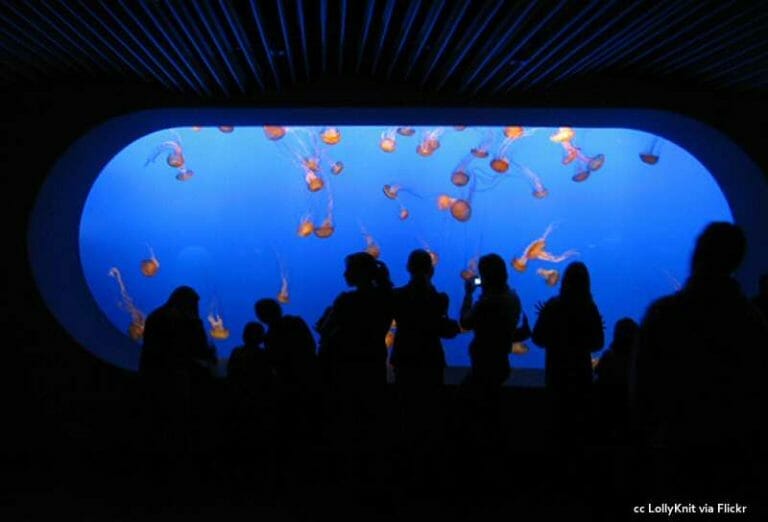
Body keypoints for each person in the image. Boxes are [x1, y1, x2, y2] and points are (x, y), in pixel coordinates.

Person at [631, 222, 768, 499]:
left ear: (698, 255)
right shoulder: (753, 321)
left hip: (675, 444)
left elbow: (642, 390)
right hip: (736, 449)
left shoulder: (664, 314)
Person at [139, 285, 215, 456]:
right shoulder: (186, 320)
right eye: (194, 305)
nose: (196, 309)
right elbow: (198, 349)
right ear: (186, 303)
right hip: (175, 376)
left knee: (157, 417)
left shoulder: (155, 315)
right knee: (177, 418)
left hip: (151, 372)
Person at [531, 261, 604, 438]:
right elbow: (598, 343)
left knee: (557, 423)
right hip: (581, 374)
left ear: (564, 281)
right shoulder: (589, 308)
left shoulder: (553, 306)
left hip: (556, 372)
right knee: (579, 427)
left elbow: (538, 339)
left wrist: (547, 321)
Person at [316, 252, 394, 390]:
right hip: (375, 361)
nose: (344, 274)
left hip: (348, 366)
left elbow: (325, 330)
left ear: (360, 273)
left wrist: (326, 317)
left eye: (348, 270)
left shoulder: (347, 300)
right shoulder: (386, 297)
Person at [390, 249, 461, 388]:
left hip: (404, 356)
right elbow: (446, 330)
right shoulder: (440, 299)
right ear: (431, 270)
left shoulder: (396, 296)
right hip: (431, 358)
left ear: (408, 268)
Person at [460, 253, 522, 389]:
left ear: (487, 278)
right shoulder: (513, 297)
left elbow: (465, 322)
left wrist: (468, 294)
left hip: (484, 368)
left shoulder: (487, 304)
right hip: (502, 363)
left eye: (482, 276)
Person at [594, 317, 639, 441]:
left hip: (606, 411)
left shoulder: (608, 357)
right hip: (629, 412)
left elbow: (598, 372)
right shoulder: (639, 362)